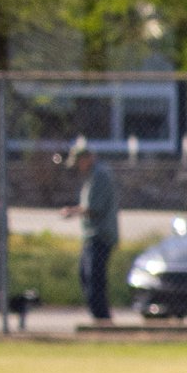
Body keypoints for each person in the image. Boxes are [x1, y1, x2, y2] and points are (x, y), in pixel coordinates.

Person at [62, 134, 119, 323]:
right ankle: (98, 316)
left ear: (86, 158)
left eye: (79, 161)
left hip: (100, 235)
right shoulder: (93, 175)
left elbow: (95, 208)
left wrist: (72, 211)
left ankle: (102, 319)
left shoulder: (100, 175)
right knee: (86, 275)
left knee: (94, 278)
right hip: (92, 235)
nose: (78, 166)